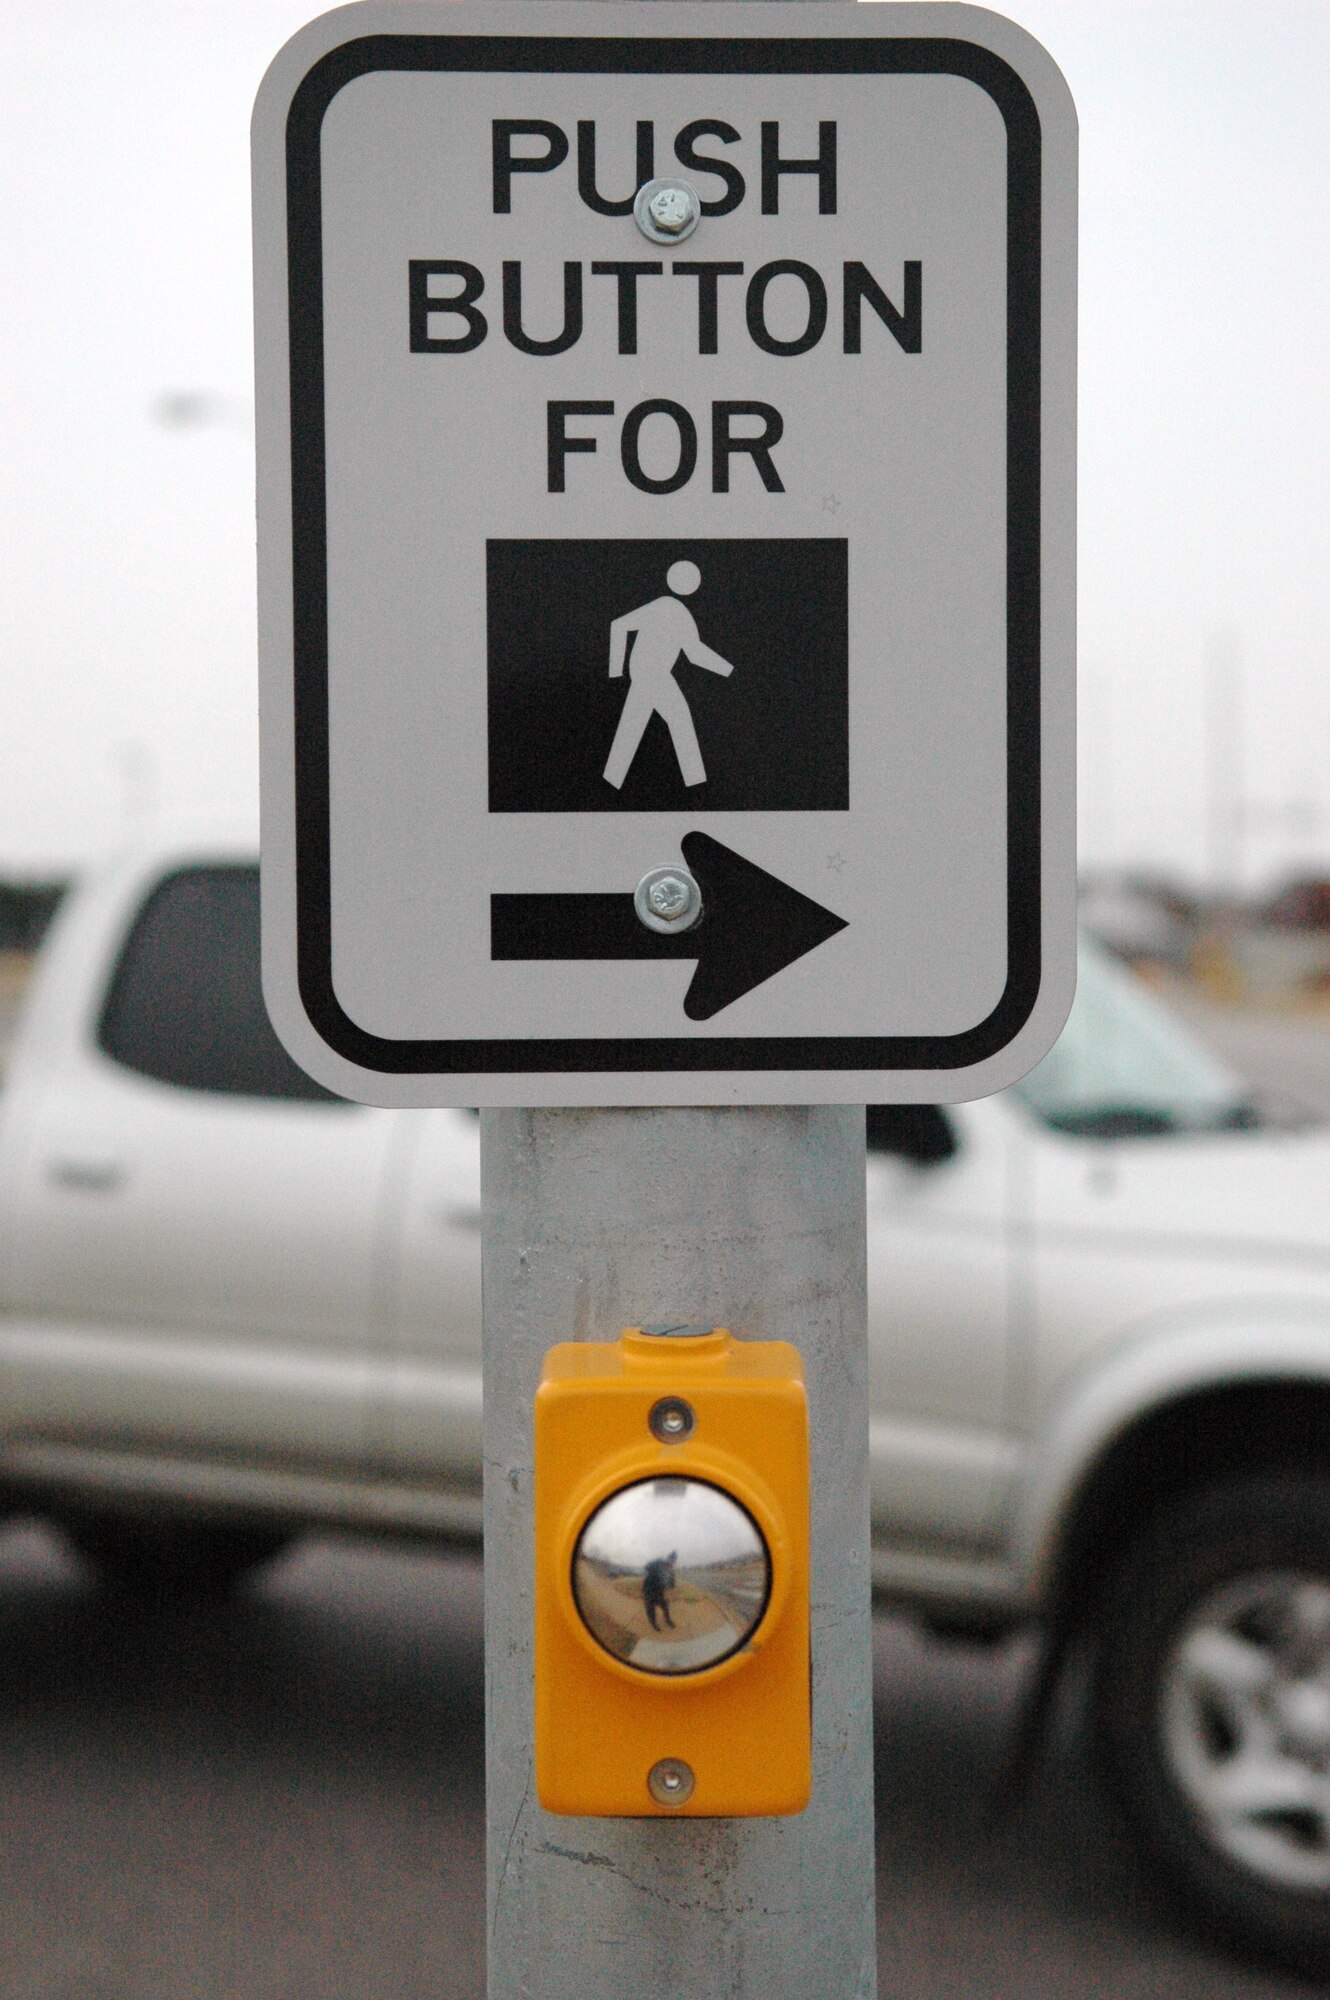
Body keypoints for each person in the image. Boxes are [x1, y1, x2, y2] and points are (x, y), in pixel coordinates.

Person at [603, 560, 734, 789]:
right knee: (678, 719)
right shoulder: (666, 606)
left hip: (651, 675)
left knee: (634, 724)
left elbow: (694, 653)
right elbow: (619, 625)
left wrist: (727, 670)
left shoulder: (679, 612)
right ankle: (696, 783)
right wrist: (615, 671)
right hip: (652, 675)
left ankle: (612, 780)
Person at [641, 1551, 677, 1632]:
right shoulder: (658, 1563)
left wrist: (670, 1578)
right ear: (667, 1558)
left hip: (659, 1593)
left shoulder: (671, 1572)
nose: (671, 1563)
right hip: (648, 1592)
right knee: (650, 1610)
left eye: (673, 1561)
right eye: (670, 1559)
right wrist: (655, 1563)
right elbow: (646, 1567)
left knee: (665, 1607)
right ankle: (654, 1624)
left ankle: (667, 1620)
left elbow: (671, 1586)